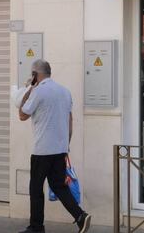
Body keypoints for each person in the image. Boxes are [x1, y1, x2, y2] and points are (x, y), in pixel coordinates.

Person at [18, 59, 91, 233]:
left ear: (35, 74)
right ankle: (80, 216)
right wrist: (66, 145)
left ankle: (36, 227)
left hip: (42, 150)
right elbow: (70, 120)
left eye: (32, 74)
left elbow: (22, 115)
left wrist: (27, 91)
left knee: (36, 188)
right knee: (59, 186)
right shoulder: (64, 92)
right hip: (60, 149)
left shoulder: (39, 92)